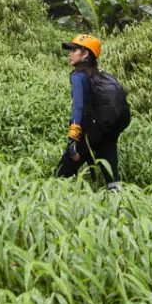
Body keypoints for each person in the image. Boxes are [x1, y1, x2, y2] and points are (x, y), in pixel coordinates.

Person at [57, 34, 129, 191]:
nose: (70, 54)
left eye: (74, 50)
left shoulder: (78, 76)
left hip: (88, 134)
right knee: (112, 179)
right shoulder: (101, 74)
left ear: (85, 54)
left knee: (60, 176)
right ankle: (120, 209)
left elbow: (78, 107)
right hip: (107, 131)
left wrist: (73, 139)